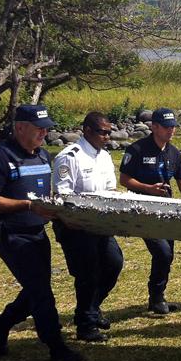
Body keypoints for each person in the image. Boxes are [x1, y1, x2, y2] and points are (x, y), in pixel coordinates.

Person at [0, 104, 82, 361]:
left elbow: (44, 196)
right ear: (20, 127)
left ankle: (1, 323)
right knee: (41, 292)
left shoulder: (43, 156)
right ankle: (56, 346)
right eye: (39, 128)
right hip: (12, 234)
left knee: (36, 288)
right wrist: (26, 206)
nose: (44, 133)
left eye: (47, 128)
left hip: (37, 232)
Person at [52, 111, 124, 343]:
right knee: (88, 274)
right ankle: (85, 325)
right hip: (76, 226)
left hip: (101, 225)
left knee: (113, 264)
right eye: (102, 132)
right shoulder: (70, 157)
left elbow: (110, 190)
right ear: (87, 131)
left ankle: (91, 309)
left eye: (109, 132)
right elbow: (63, 195)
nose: (107, 137)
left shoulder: (103, 156)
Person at [119, 108, 181, 314]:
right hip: (143, 210)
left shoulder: (173, 152)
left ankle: (157, 297)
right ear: (154, 127)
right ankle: (156, 297)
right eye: (167, 127)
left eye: (173, 127)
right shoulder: (137, 149)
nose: (171, 131)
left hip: (167, 210)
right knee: (161, 252)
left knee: (168, 254)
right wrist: (148, 189)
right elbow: (124, 180)